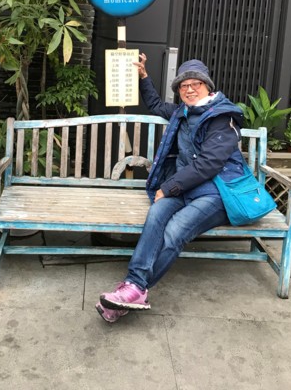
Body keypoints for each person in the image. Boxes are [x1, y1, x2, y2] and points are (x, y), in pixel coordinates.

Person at [95, 54, 244, 323]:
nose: (189, 89)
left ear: (207, 86)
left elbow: (209, 164)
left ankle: (134, 288)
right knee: (156, 214)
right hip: (186, 188)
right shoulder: (181, 113)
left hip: (217, 192)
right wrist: (143, 77)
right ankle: (132, 291)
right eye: (183, 85)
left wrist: (169, 186)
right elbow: (154, 104)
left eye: (195, 84)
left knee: (175, 231)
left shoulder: (223, 116)